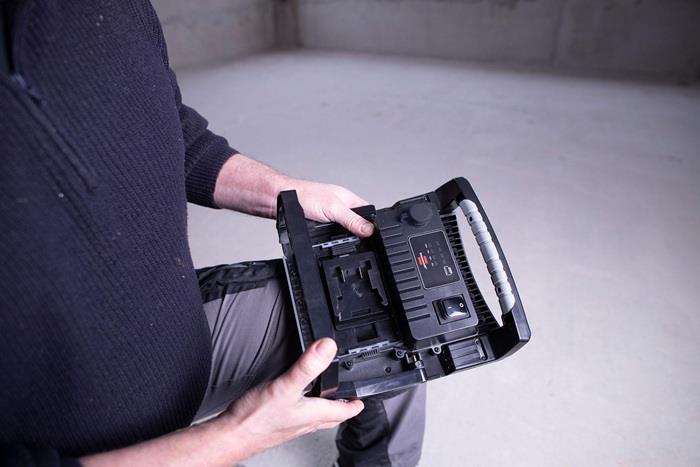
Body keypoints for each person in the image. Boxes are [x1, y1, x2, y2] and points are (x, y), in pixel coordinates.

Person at [0, 1, 426, 466]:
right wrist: (237, 436)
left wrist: (286, 193)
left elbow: (160, 122)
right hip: (64, 437)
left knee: (392, 312)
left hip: (180, 339)